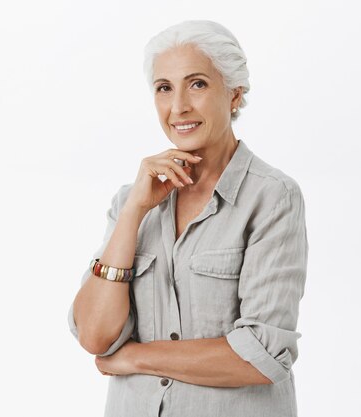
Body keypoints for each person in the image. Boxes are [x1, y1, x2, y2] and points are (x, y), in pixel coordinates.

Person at [67, 20, 309, 417]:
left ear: (234, 94)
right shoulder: (132, 200)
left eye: (197, 84)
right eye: (164, 88)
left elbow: (262, 354)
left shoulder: (272, 197)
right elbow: (95, 335)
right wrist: (132, 214)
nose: (178, 106)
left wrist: (137, 359)